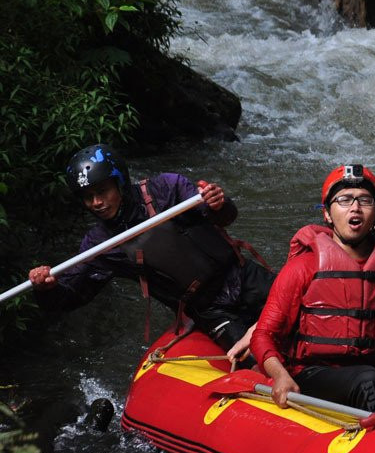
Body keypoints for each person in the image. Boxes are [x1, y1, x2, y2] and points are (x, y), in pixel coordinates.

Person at [248, 164, 375, 413]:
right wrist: (280, 375)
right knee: (367, 379)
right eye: (345, 200)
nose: (355, 207)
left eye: (365, 201)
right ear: (327, 213)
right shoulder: (303, 266)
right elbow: (263, 336)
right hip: (315, 374)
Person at [28, 144, 274, 352]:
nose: (96, 203)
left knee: (308, 307)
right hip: (209, 311)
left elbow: (224, 217)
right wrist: (46, 289)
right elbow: (71, 297)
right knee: (253, 357)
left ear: (120, 183)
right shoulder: (99, 244)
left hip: (243, 276)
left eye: (102, 191)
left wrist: (218, 204)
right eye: (88, 197)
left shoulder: (166, 188)